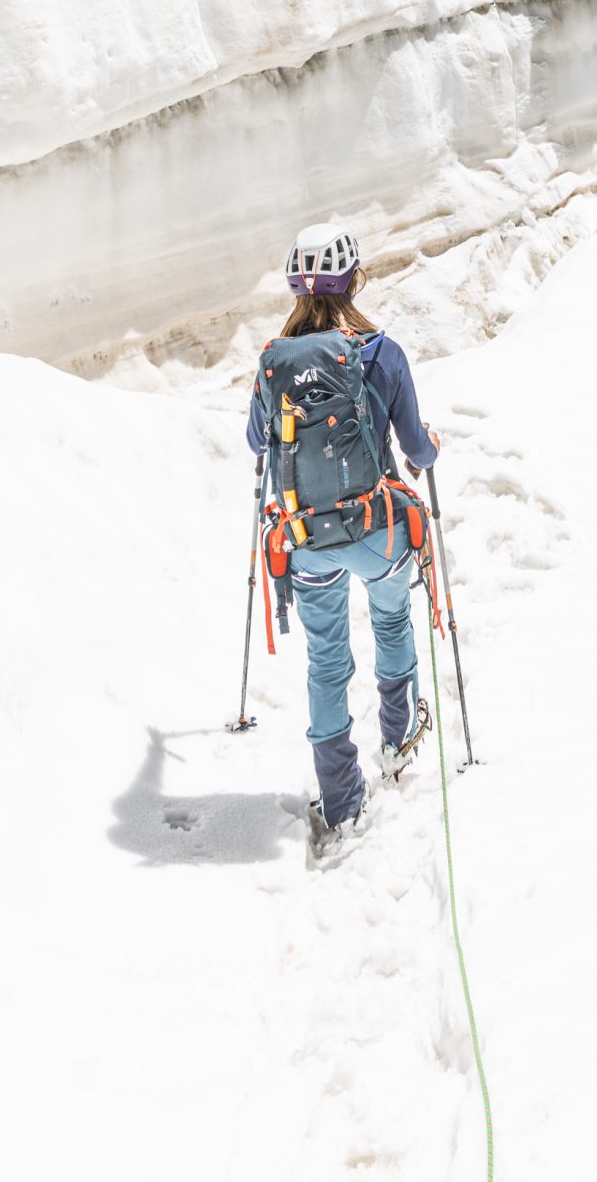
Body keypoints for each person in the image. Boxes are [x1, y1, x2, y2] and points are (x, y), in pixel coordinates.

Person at [246, 219, 439, 860]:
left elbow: (257, 445)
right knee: (391, 621)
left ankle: (340, 797)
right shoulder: (381, 353)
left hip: (306, 539)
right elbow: (414, 447)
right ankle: (399, 732)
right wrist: (429, 446)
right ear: (354, 277)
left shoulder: (274, 361)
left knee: (327, 660)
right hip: (377, 529)